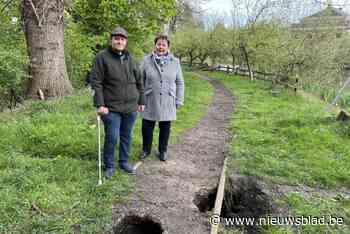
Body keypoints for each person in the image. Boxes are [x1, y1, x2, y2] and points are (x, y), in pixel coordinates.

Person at [90, 26, 145, 177]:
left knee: (126, 135)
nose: (119, 41)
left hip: (131, 107)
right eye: (116, 39)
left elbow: (140, 82)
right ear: (112, 40)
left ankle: (124, 162)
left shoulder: (132, 60)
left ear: (126, 42)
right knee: (112, 136)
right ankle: (109, 166)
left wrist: (142, 100)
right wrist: (100, 104)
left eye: (122, 39)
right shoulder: (102, 57)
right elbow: (96, 82)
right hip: (111, 108)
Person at [140, 33, 184, 161]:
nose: (160, 47)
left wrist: (179, 99)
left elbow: (180, 82)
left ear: (168, 47)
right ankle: (146, 149)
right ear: (155, 45)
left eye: (163, 45)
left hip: (168, 99)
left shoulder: (175, 62)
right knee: (147, 126)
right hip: (149, 98)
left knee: (165, 127)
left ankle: (163, 151)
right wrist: (139, 98)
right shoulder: (146, 60)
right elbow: (139, 80)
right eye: (158, 44)